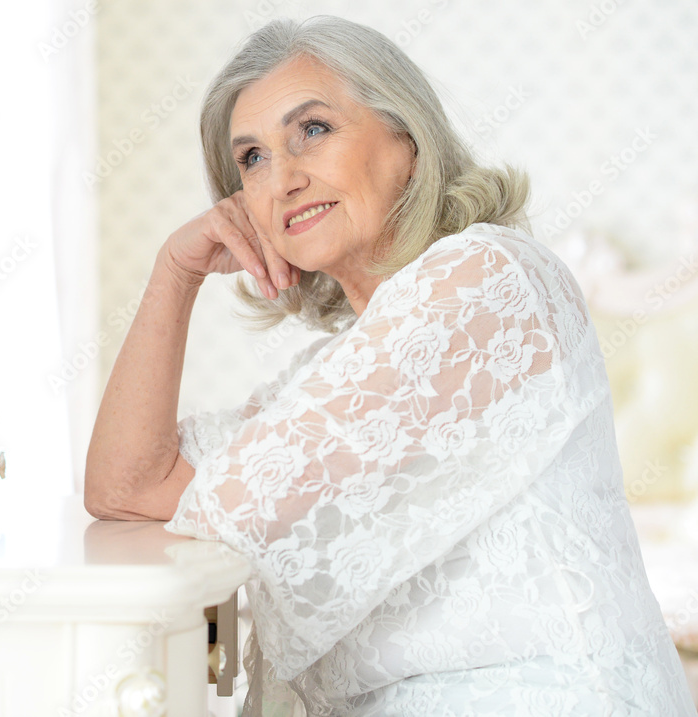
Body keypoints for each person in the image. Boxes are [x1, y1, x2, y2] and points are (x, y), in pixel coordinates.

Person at [84, 15, 696, 716]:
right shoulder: (338, 363)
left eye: (312, 129)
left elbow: (199, 495)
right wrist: (176, 269)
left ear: (407, 137)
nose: (281, 178)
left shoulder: (485, 279)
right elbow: (125, 483)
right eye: (251, 158)